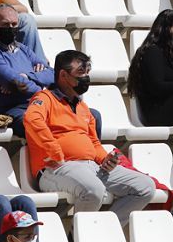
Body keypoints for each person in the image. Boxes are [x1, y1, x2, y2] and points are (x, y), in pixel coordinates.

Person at [25, 49, 155, 226]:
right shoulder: (44, 98)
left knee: (145, 187)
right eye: (81, 72)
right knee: (94, 190)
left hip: (91, 166)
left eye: (87, 72)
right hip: (55, 167)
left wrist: (104, 159)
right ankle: (78, 239)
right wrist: (54, 150)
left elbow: (93, 141)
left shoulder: (82, 106)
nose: (86, 77)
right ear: (63, 75)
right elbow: (32, 119)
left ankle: (103, 231)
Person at [0, 3, 54, 137]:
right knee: (39, 125)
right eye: (5, 25)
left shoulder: (23, 49)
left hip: (37, 104)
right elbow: (18, 83)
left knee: (90, 116)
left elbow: (52, 74)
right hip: (11, 110)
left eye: (14, 24)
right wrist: (42, 87)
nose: (10, 28)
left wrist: (28, 76)